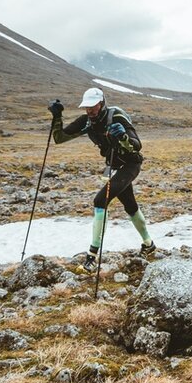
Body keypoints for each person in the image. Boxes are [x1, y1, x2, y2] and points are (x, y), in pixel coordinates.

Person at [48, 87, 155, 269]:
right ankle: (148, 244)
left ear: (101, 103)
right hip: (113, 167)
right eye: (86, 107)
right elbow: (59, 138)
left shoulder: (116, 116)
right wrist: (57, 117)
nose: (89, 111)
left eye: (93, 106)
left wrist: (122, 137)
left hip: (130, 164)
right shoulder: (87, 121)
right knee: (130, 206)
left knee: (100, 200)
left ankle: (91, 257)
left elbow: (137, 146)